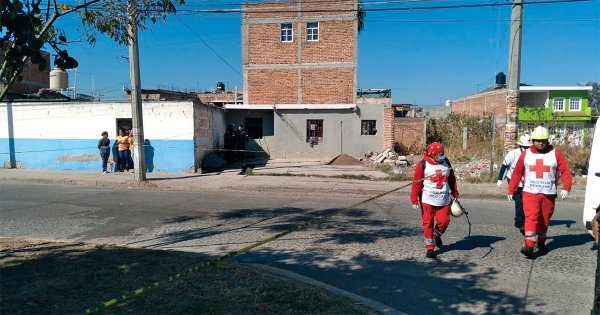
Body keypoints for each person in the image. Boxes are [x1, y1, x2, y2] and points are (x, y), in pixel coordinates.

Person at [507, 126, 572, 259]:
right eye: (537, 140)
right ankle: (529, 245)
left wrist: (566, 187)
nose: (540, 143)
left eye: (543, 140)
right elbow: (517, 172)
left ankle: (541, 241)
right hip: (530, 193)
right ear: (533, 140)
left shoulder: (556, 153)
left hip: (548, 194)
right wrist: (511, 189)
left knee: (544, 220)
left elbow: (565, 170)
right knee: (531, 218)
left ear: (547, 140)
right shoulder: (526, 154)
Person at [410, 142, 460, 259]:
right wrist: (414, 199)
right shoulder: (423, 164)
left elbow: (451, 179)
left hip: (443, 199)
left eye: (443, 153)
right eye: (439, 154)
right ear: (432, 154)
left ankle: (435, 236)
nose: (441, 156)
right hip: (427, 200)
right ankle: (430, 248)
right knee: (428, 223)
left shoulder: (446, 162)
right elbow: (416, 183)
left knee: (444, 222)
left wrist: (455, 192)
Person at [497, 134, 532, 235]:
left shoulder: (532, 155)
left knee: (526, 202)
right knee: (519, 202)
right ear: (520, 146)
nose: (527, 149)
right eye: (525, 147)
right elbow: (504, 166)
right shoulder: (512, 154)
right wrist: (500, 180)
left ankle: (522, 219)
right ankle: (520, 224)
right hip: (513, 180)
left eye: (528, 147)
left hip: (526, 182)